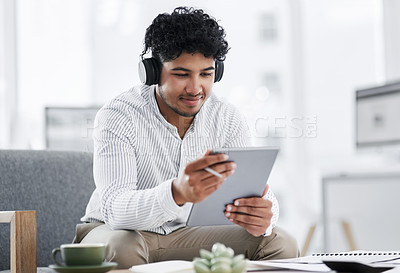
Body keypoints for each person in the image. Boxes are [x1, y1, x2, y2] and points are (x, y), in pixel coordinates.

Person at [74, 6, 298, 269]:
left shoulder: (227, 117)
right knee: (122, 248)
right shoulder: (118, 115)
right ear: (153, 72)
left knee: (280, 241)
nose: (195, 88)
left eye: (206, 74)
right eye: (181, 74)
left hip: (188, 234)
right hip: (114, 231)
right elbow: (116, 210)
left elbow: (253, 190)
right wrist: (176, 193)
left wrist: (264, 215)